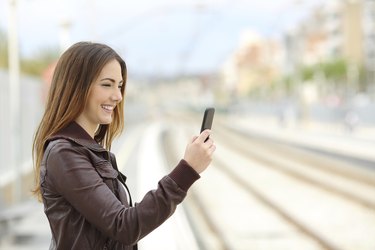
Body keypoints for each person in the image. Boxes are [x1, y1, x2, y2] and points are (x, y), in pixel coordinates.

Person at [32, 41, 216, 250]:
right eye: (107, 84)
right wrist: (187, 170)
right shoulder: (64, 154)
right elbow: (124, 226)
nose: (118, 96)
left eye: (119, 86)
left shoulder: (88, 150)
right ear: (77, 86)